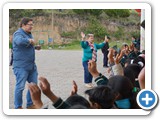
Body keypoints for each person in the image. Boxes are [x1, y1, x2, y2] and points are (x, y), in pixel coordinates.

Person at [12, 17, 41, 109]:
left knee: (33, 86)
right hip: (21, 66)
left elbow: (27, 46)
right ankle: (18, 106)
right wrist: (29, 41)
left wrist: (35, 47)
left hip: (31, 66)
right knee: (20, 87)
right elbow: (19, 42)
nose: (31, 26)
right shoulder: (18, 33)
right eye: (30, 24)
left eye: (32, 24)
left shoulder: (29, 34)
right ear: (23, 25)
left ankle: (30, 104)